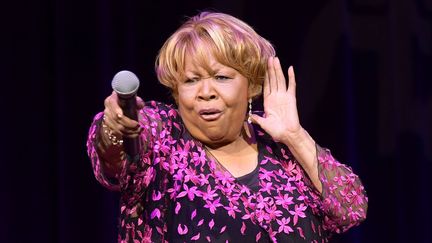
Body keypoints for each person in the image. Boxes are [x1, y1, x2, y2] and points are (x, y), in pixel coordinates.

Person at [87, 11, 368, 242]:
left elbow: (351, 210)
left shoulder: (280, 148)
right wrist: (115, 126)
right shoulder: (163, 137)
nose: (205, 91)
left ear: (251, 86)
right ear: (176, 92)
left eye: (221, 77)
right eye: (190, 80)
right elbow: (116, 154)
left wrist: (296, 137)